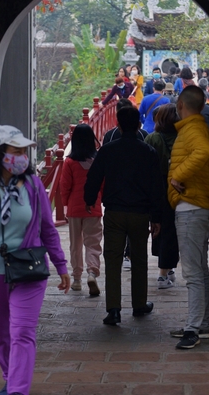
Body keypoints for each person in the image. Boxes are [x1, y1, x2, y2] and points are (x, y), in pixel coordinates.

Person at [0, 125, 70, 395]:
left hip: (27, 271)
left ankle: (18, 390)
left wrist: (61, 265)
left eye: (24, 151)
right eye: (15, 151)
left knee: (22, 332)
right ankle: (11, 378)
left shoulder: (33, 186)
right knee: (1, 335)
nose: (21, 156)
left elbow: (47, 228)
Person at [84, 106, 163, 326]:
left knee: (113, 260)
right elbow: (156, 186)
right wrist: (156, 217)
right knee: (139, 259)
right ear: (139, 125)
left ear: (117, 125)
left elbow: (93, 177)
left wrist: (90, 200)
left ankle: (114, 309)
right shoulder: (148, 152)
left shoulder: (108, 151)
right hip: (140, 213)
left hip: (115, 213)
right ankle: (139, 304)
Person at [167, 86, 209, 350]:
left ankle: (193, 329)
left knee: (193, 272)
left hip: (190, 208)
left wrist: (178, 176)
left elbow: (204, 153)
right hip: (194, 206)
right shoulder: (193, 127)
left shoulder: (193, 129)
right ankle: (203, 325)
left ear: (181, 105)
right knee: (200, 269)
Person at [101, 98, 148, 272]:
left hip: (114, 199)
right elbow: (153, 173)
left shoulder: (110, 136)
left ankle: (113, 297)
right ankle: (129, 256)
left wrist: (92, 197)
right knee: (140, 260)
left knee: (112, 257)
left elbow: (101, 167)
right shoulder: (145, 138)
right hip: (140, 200)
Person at [60, 124, 102, 296]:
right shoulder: (98, 160)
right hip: (93, 207)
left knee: (75, 244)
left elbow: (65, 186)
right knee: (93, 242)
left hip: (74, 207)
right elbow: (103, 184)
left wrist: (65, 205)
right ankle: (92, 272)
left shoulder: (69, 162)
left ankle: (76, 279)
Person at [144, 104, 180, 289]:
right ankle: (163, 274)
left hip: (156, 189)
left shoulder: (152, 139)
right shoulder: (182, 138)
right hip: (177, 189)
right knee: (171, 231)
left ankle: (167, 267)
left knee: (159, 227)